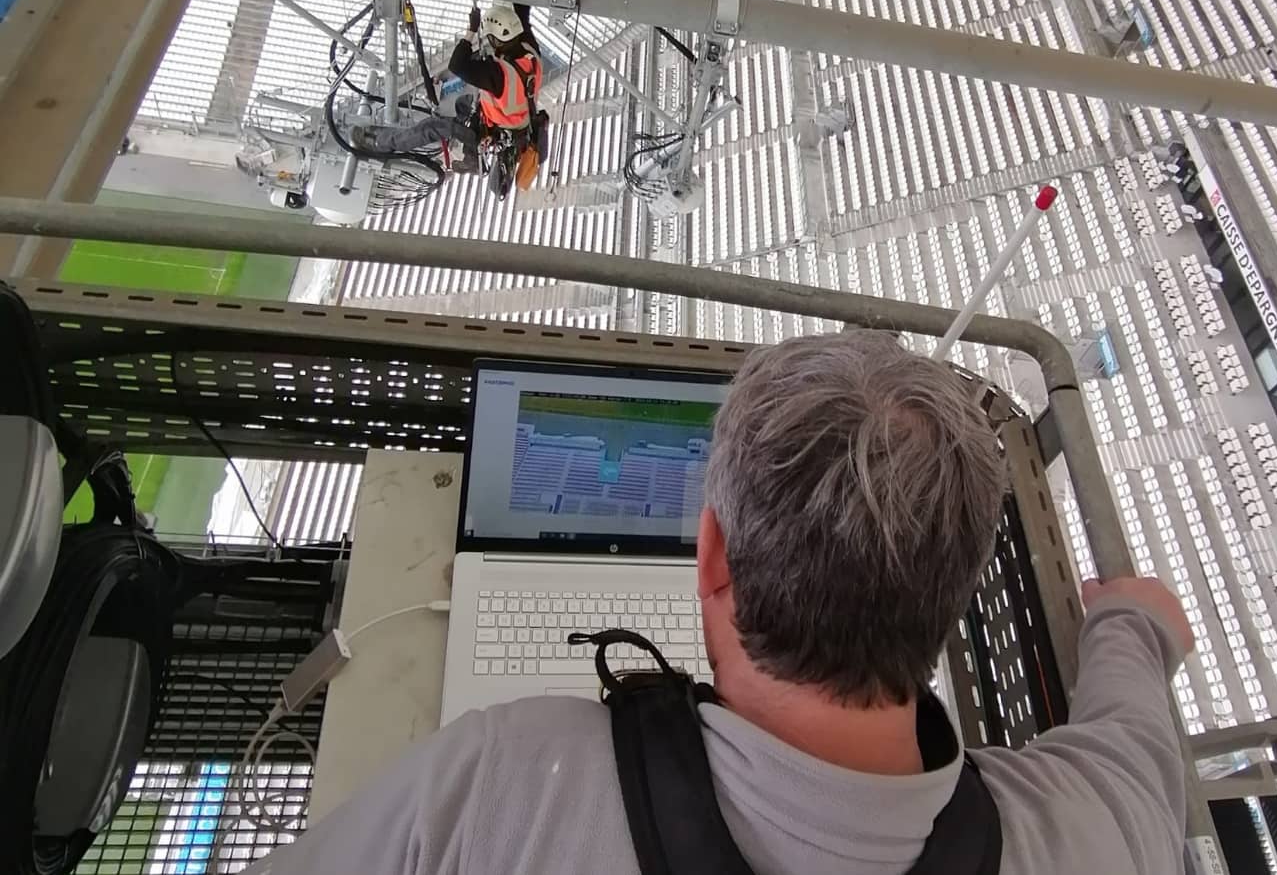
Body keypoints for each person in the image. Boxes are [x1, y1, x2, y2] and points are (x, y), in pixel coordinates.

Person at [244, 329, 1194, 875]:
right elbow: (1135, 730)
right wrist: (1132, 629)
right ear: (949, 593)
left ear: (710, 558)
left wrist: (1138, 625)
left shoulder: (501, 776)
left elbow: (1145, 664)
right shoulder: (1093, 831)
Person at [352, 2, 542, 175]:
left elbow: (457, 65)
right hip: (513, 124)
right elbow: (522, 12)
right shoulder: (529, 50)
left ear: (494, 39)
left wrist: (472, 31)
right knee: (462, 105)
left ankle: (380, 143)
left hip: (496, 131)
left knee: (432, 127)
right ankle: (470, 155)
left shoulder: (498, 74)